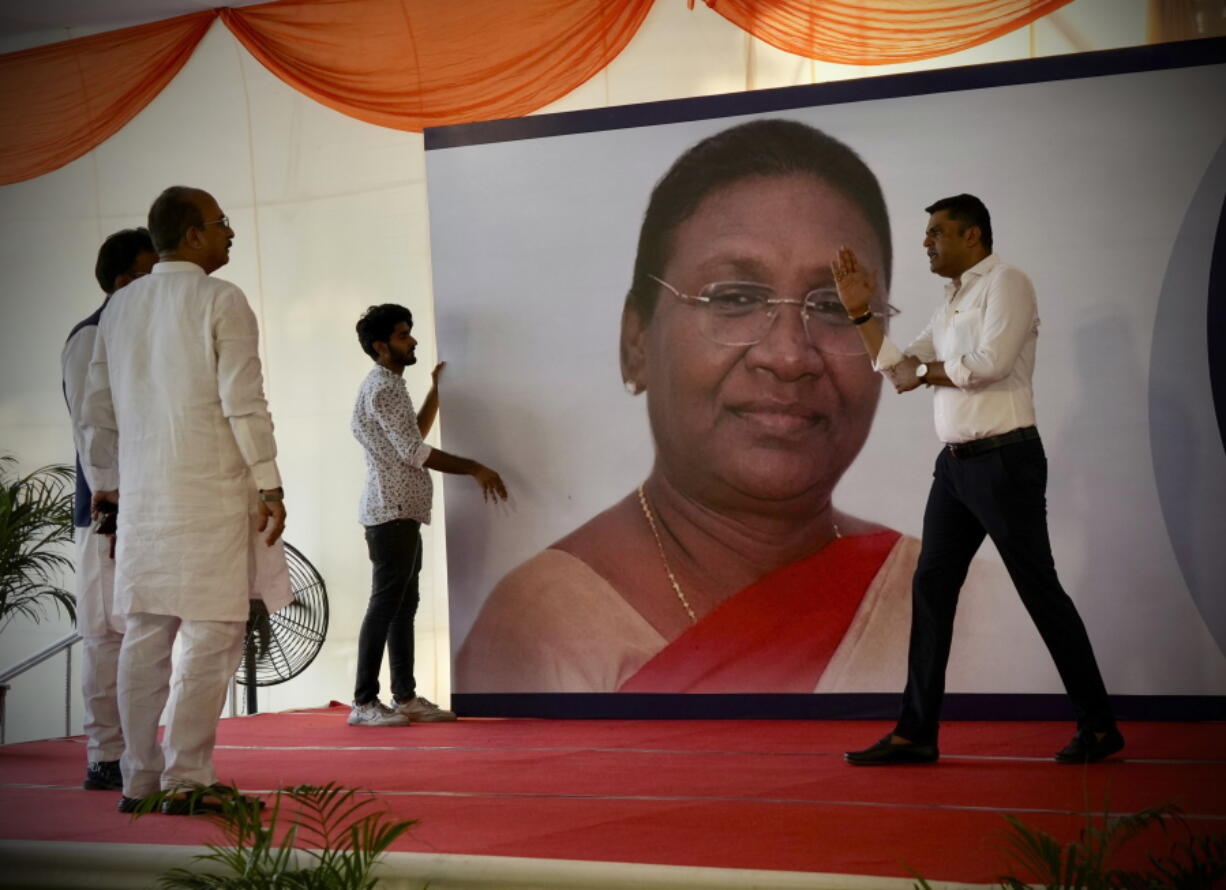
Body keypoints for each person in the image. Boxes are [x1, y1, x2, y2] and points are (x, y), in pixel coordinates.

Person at [457, 118, 986, 694]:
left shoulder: (954, 597)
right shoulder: (541, 631)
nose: (789, 356)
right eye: (734, 298)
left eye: (837, 308)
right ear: (637, 342)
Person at [834, 193, 1123, 764]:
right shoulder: (951, 302)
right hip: (955, 468)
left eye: (936, 232)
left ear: (973, 236)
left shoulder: (1006, 282)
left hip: (1005, 460)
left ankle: (1098, 726)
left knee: (1038, 590)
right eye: (926, 234)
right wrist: (861, 316)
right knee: (932, 589)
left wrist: (926, 372)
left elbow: (987, 366)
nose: (926, 243)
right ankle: (916, 733)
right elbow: (900, 374)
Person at [81, 186, 291, 813]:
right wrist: (270, 481)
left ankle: (138, 779)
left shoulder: (118, 308)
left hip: (145, 499)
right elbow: (242, 399)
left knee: (144, 635)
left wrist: (110, 490)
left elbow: (96, 414)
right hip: (209, 493)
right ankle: (186, 779)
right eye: (222, 224)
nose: (230, 234)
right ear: (192, 234)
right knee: (211, 633)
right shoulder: (221, 298)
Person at [349, 303, 508, 727]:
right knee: (386, 605)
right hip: (391, 511)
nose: (413, 340)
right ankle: (364, 702)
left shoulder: (390, 386)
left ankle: (404, 697)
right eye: (403, 335)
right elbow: (415, 452)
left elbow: (411, 436)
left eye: (410, 333)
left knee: (403, 605)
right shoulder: (383, 387)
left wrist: (435, 392)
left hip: (402, 511)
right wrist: (475, 467)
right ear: (381, 346)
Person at [61, 228, 157, 791]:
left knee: (143, 631)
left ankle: (140, 751)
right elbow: (90, 426)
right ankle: (103, 754)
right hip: (105, 514)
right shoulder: (90, 337)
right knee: (104, 635)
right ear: (124, 282)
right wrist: (111, 498)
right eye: (150, 274)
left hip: (150, 508)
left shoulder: (142, 337)